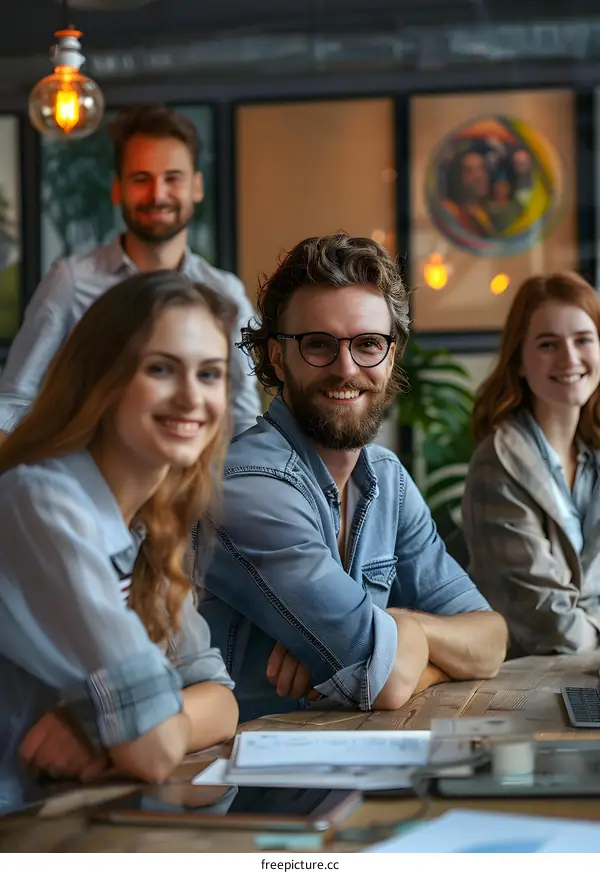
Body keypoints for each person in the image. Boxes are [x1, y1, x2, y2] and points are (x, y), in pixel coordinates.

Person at [198, 233, 508, 722]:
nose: (346, 369)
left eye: (367, 344)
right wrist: (386, 663)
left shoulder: (387, 479)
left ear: (391, 355)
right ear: (278, 357)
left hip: (338, 762)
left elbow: (490, 639)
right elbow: (384, 681)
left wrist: (402, 628)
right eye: (318, 345)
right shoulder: (249, 482)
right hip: (237, 781)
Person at [0, 270, 239, 814]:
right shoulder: (41, 505)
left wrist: (98, 723)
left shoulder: (147, 523)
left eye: (210, 374)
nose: (191, 397)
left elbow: (221, 700)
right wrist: (126, 728)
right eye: (161, 369)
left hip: (79, 819)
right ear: (102, 380)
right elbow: (153, 750)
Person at [0, 102, 260, 444]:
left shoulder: (225, 293)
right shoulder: (71, 281)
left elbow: (243, 419)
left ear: (196, 187)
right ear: (118, 188)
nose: (158, 194)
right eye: (141, 179)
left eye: (172, 178)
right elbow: (15, 400)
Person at [463, 272, 600, 657]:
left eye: (583, 340)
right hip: (524, 691)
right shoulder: (497, 466)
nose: (569, 358)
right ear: (519, 362)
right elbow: (554, 628)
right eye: (547, 344)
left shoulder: (594, 453)